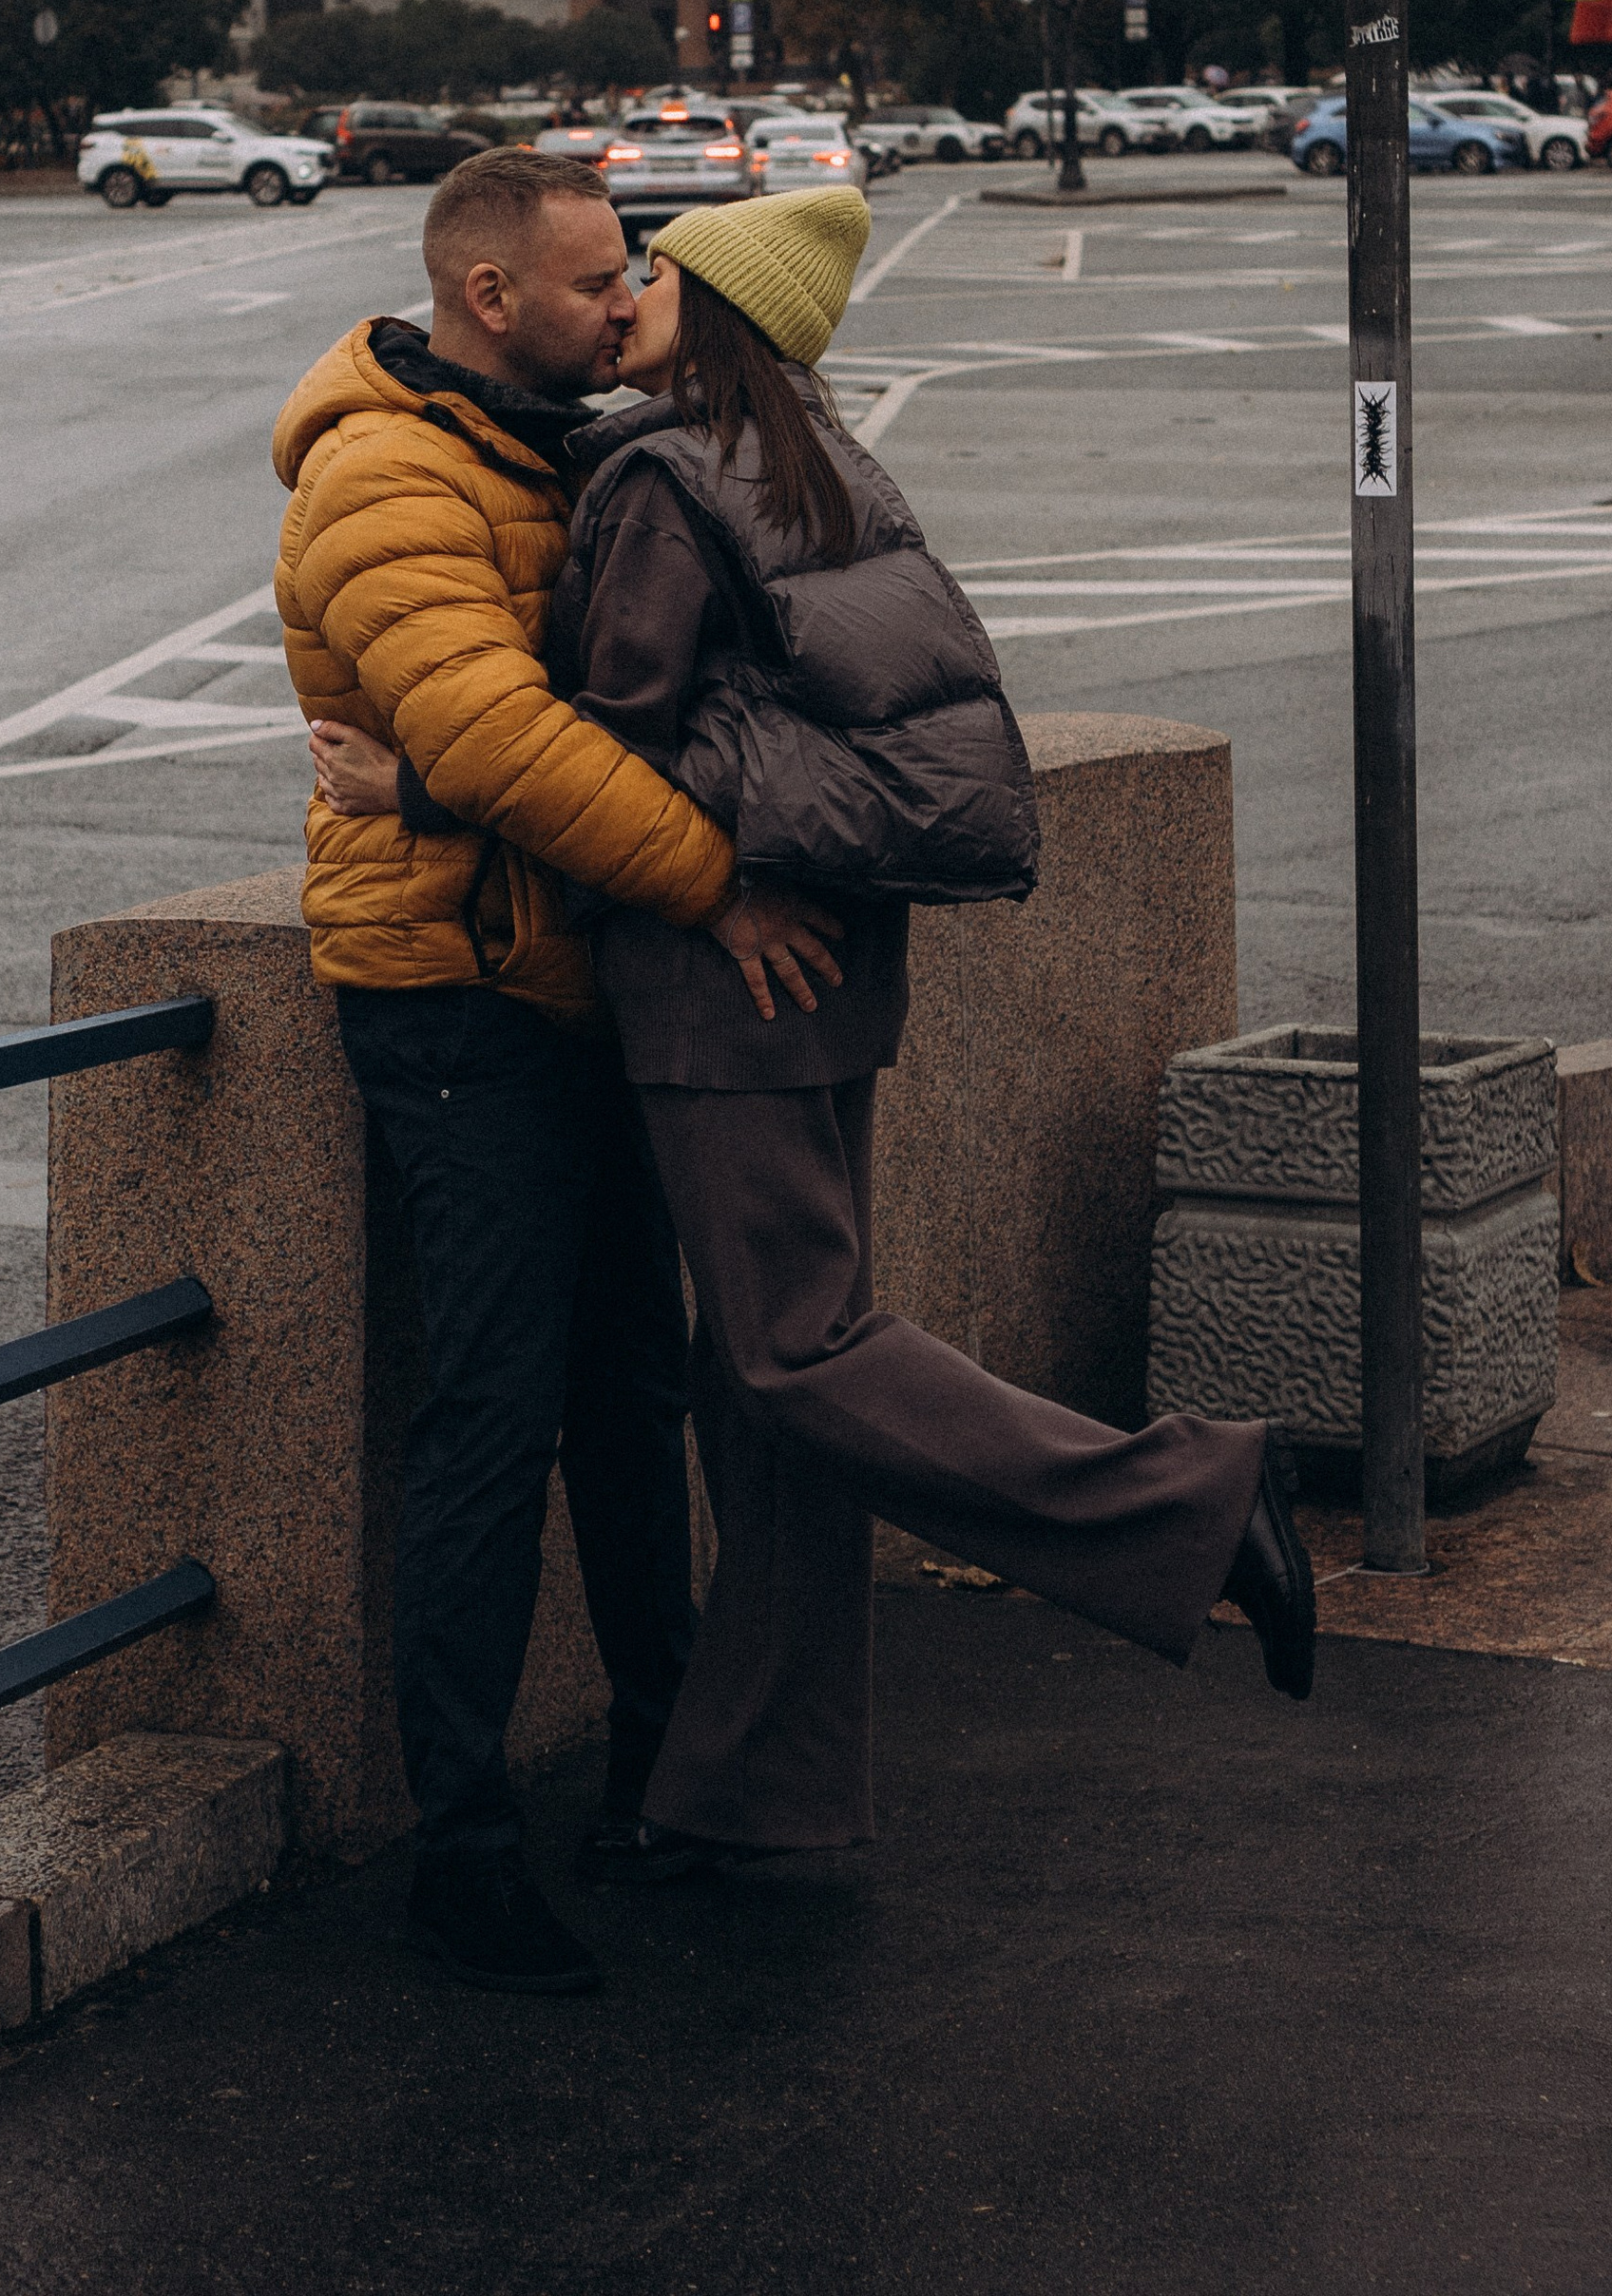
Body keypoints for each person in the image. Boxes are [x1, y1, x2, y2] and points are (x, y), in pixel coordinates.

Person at [317, 182, 1317, 1873]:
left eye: (653, 275)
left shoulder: (656, 477)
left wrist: (413, 783)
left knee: (792, 1352)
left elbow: (608, 743)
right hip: (842, 960)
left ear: (715, 310)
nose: (628, 295)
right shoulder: (821, 460)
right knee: (755, 1393)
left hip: (727, 983)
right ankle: (756, 1789)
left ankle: (1194, 1505)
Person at [270, 147, 842, 1998]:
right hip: (456, 1002)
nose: (627, 303)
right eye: (599, 280)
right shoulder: (383, 474)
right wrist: (718, 891)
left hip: (571, 976)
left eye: (632, 272)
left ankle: (659, 1780)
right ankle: (462, 1857)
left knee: (628, 1395)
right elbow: (509, 739)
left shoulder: (549, 446)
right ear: (490, 295)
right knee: (495, 1417)